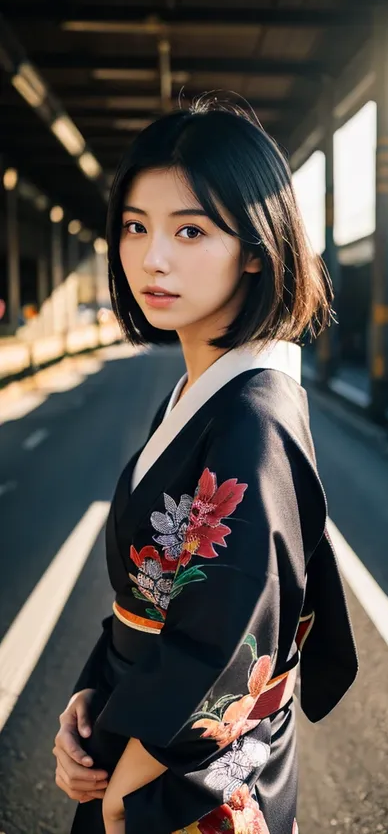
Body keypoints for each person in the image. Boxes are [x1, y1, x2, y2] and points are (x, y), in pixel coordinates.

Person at [52, 100, 358, 834]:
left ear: (256, 246)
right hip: (152, 740)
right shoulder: (204, 389)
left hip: (181, 781)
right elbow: (154, 598)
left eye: (190, 230)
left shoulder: (252, 415)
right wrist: (89, 699)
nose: (153, 257)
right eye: (136, 226)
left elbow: (229, 631)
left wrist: (127, 777)